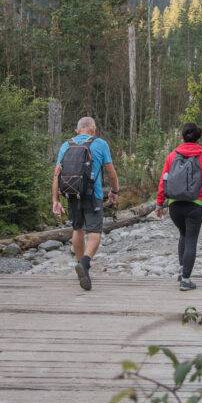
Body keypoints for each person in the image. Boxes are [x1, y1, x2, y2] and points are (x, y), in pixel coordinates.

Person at [52, 116, 120, 291]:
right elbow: (111, 172)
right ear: (93, 129)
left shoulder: (65, 145)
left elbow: (56, 175)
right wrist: (114, 191)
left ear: (77, 130)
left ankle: (81, 268)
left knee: (77, 229)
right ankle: (85, 263)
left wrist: (55, 200)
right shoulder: (100, 144)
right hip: (93, 195)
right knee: (95, 232)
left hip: (72, 195)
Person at [155, 123, 202, 291]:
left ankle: (181, 270)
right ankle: (185, 280)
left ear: (182, 137)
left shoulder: (172, 156)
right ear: (198, 138)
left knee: (183, 234)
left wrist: (159, 203)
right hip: (195, 205)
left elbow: (164, 179)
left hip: (175, 206)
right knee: (191, 239)